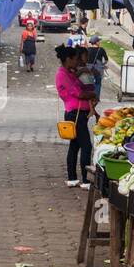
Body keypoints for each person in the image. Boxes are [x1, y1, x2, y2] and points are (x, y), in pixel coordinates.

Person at [55, 45, 97, 189]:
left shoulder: (70, 72)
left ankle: (72, 178)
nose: (77, 62)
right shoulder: (62, 75)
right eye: (75, 59)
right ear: (68, 59)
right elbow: (80, 94)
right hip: (75, 114)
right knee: (86, 146)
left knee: (75, 146)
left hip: (80, 113)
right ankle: (86, 180)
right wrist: (93, 95)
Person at [87, 34, 109, 101]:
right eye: (99, 41)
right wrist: (102, 65)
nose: (99, 42)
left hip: (89, 68)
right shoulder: (101, 50)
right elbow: (106, 59)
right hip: (98, 69)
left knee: (89, 83)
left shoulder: (87, 49)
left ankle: (89, 97)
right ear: (96, 42)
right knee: (98, 83)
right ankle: (96, 98)